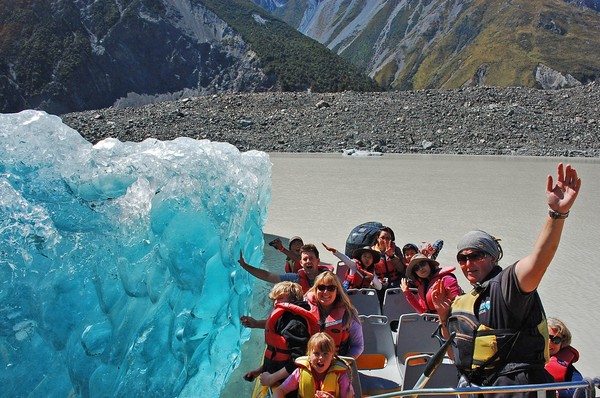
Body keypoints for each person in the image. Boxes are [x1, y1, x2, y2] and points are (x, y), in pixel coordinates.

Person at [432, 163, 581, 397]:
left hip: (517, 389)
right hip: (480, 389)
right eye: (462, 258)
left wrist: (557, 214)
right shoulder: (462, 301)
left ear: (492, 258)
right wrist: (443, 317)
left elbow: (539, 260)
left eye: (475, 255)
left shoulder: (508, 285)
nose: (467, 264)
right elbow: (458, 358)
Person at [241, 282, 319, 398]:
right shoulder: (283, 319)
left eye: (281, 298)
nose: (276, 302)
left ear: (293, 299)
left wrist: (272, 378)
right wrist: (259, 371)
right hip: (277, 381)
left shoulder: (294, 322)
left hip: (289, 387)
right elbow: (277, 352)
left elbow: (299, 359)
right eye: (275, 299)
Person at [272, 332, 354, 398]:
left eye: (326, 354)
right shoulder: (299, 372)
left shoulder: (341, 376)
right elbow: (280, 390)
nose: (321, 358)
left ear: (332, 357)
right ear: (309, 356)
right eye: (316, 353)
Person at [305, 271, 364, 358]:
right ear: (315, 290)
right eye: (321, 287)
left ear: (337, 291)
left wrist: (344, 363)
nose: (325, 292)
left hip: (338, 362)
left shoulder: (348, 315)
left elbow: (358, 346)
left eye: (331, 288)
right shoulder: (304, 308)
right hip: (310, 361)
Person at [239, 244, 333, 293]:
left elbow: (344, 298)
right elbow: (268, 276)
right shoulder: (296, 278)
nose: (308, 261)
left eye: (311, 258)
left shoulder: (330, 278)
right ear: (301, 263)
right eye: (305, 259)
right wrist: (245, 266)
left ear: (318, 261)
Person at [545, 317, 583, 397]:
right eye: (546, 337)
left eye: (556, 340)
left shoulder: (568, 368)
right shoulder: (523, 361)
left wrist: (556, 394)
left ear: (562, 343)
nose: (549, 342)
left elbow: (582, 390)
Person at [371, 226, 407, 303]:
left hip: (395, 281)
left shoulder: (396, 250)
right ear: (377, 238)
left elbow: (402, 269)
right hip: (378, 283)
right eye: (382, 237)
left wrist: (392, 256)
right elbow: (367, 270)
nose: (385, 240)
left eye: (388, 238)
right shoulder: (371, 252)